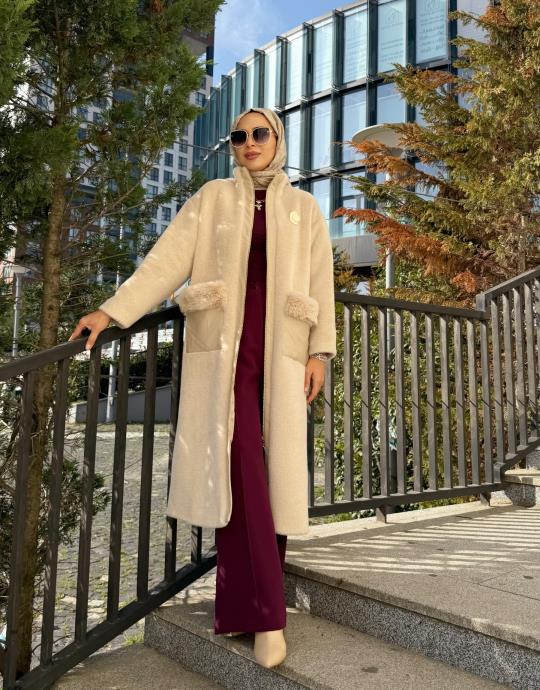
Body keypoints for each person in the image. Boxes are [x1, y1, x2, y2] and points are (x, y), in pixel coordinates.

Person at [68, 106, 336, 669]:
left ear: (277, 139)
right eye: (239, 136)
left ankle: (239, 607)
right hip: (224, 352)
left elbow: (321, 283)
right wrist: (113, 311)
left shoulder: (304, 208)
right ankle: (267, 616)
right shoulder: (212, 198)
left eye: (259, 133)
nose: (248, 142)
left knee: (269, 474)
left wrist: (320, 352)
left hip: (283, 351)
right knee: (240, 467)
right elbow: (165, 262)